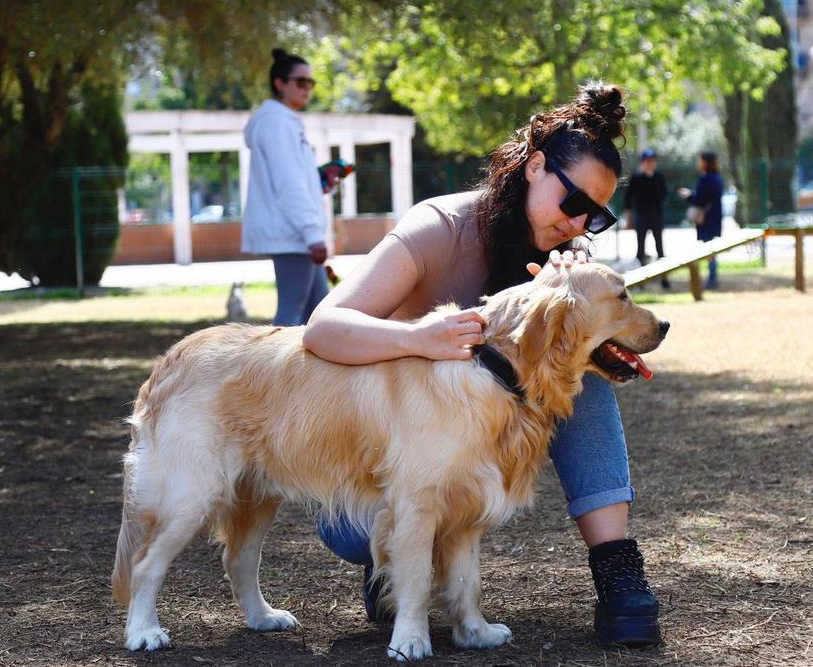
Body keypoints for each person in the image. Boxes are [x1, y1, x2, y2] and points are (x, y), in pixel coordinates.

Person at [301, 82, 661, 647]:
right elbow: (322, 329)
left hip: (482, 446)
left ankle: (617, 569)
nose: (578, 226)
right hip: (389, 452)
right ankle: (390, 562)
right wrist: (416, 336)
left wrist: (568, 312)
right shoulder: (438, 228)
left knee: (575, 366)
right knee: (357, 532)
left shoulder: (564, 261)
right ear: (535, 167)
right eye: (573, 204)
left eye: (596, 217)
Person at [241, 48, 332, 326]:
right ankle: (272, 371)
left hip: (297, 233)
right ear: (280, 83)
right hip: (293, 234)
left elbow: (295, 180)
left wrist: (321, 184)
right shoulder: (277, 123)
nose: (308, 88)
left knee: (319, 315)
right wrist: (312, 234)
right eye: (301, 82)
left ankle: (307, 372)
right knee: (291, 319)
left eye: (311, 82)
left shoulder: (284, 122)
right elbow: (288, 184)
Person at [679, 151, 725, 289]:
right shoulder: (717, 177)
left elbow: (700, 199)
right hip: (715, 216)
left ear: (705, 162)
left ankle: (712, 278)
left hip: (707, 218)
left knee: (709, 248)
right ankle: (712, 276)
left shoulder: (705, 179)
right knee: (712, 247)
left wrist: (688, 196)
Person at [623, 149, 669, 278]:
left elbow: (664, 195)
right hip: (642, 216)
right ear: (642, 162)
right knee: (640, 249)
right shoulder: (636, 178)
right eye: (647, 161)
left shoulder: (659, 177)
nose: (650, 163)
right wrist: (629, 219)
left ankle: (664, 278)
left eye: (652, 161)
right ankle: (640, 279)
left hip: (656, 217)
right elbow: (628, 199)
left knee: (660, 248)